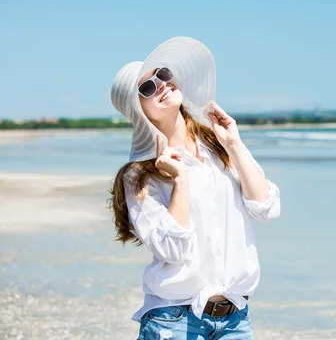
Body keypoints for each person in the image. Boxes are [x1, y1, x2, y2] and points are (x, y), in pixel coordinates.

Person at [109, 37, 281, 340]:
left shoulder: (218, 144)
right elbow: (173, 249)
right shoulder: (139, 176)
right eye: (147, 88)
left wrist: (235, 144)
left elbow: (267, 207)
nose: (161, 85)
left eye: (162, 74)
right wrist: (180, 180)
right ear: (139, 111)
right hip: (173, 321)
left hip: (236, 319)